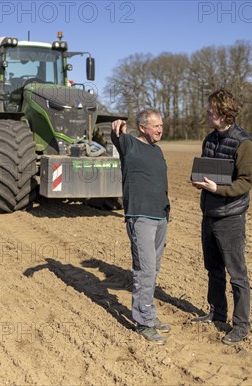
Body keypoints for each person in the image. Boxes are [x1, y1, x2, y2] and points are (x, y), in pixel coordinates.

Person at [191, 89, 252, 345]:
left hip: (230, 217)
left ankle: (241, 325)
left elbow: (246, 182)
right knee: (213, 269)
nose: (207, 115)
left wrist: (219, 190)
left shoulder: (244, 143)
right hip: (208, 213)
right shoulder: (209, 139)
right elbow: (208, 172)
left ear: (223, 113)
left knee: (237, 274)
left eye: (210, 111)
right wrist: (200, 183)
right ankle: (218, 313)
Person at [111, 108, 171, 345]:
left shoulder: (157, 151)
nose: (160, 129)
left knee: (153, 269)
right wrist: (117, 126)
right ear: (143, 127)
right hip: (140, 217)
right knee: (144, 269)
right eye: (156, 126)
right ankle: (143, 322)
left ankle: (149, 315)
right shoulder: (130, 146)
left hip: (160, 216)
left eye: (162, 126)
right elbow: (117, 135)